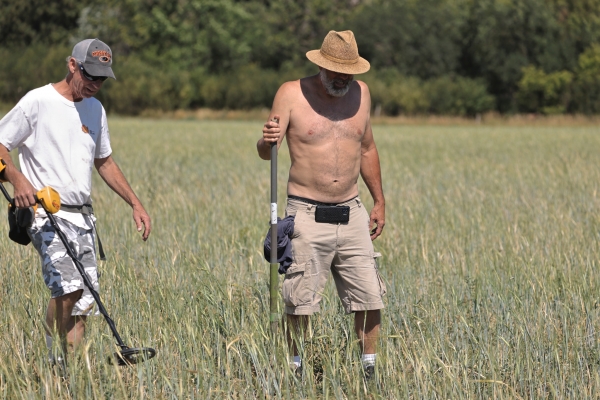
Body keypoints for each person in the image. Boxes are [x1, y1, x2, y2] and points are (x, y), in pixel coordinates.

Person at [0, 39, 151, 366]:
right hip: (44, 214)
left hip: (84, 219)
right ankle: (54, 359)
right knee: (67, 289)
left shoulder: (95, 109)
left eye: (101, 79)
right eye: (90, 75)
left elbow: (105, 162)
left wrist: (135, 203)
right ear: (72, 65)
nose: (95, 84)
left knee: (83, 304)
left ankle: (73, 374)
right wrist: (17, 179)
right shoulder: (37, 101)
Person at [257, 30, 386, 380]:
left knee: (369, 297)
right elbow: (267, 149)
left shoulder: (361, 94)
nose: (344, 80)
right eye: (337, 73)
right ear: (321, 66)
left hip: (353, 211)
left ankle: (369, 370)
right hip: (306, 213)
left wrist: (379, 200)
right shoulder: (290, 93)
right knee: (300, 302)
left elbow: (367, 148)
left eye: (349, 73)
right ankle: (295, 370)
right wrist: (266, 141)